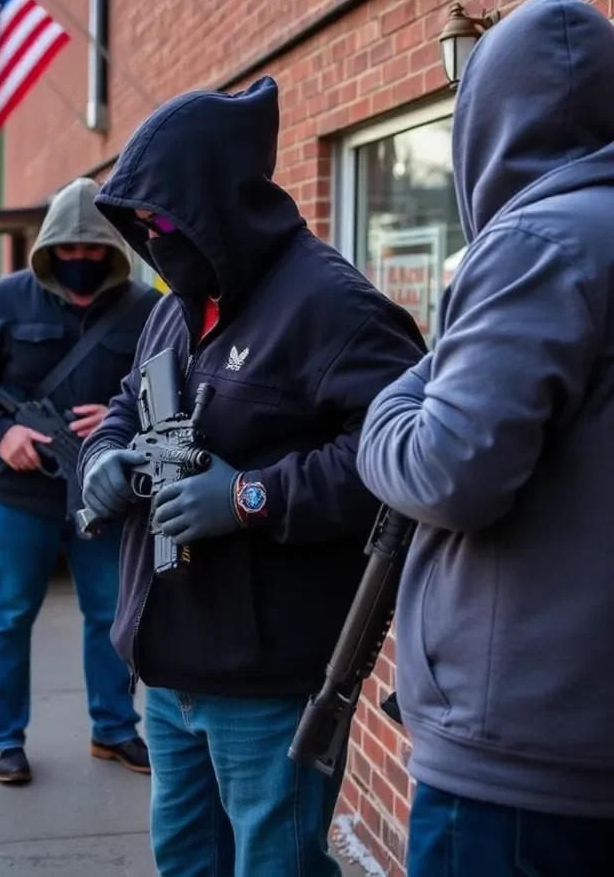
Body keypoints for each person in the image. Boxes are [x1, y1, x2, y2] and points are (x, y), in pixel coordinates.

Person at [78, 77, 425, 876]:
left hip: (268, 684)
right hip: (168, 670)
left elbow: (401, 459)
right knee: (187, 866)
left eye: (166, 221)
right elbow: (132, 399)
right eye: (144, 226)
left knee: (278, 868)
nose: (155, 240)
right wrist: (105, 458)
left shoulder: (331, 306)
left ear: (215, 205)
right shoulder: (175, 305)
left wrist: (249, 496)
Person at [356, 0, 614, 875]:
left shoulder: (539, 242)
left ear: (488, 124)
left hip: (518, 764)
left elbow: (446, 469)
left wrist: (388, 409)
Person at [0, 177, 160, 786]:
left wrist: (124, 419)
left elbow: (171, 390)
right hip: (19, 490)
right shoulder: (4, 301)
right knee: (9, 614)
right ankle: (3, 738)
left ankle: (113, 728)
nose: (81, 262)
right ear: (49, 248)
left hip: (104, 488)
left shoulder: (144, 307)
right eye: (69, 251)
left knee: (111, 613)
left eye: (94, 252)